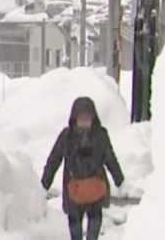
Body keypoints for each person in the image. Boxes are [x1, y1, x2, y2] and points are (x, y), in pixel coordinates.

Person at [41, 97, 124, 240]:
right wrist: (44, 184)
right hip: (74, 190)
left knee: (95, 219)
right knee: (74, 224)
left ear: (93, 118)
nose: (85, 122)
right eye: (81, 118)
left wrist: (119, 180)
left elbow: (110, 158)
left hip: (96, 189)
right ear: (74, 118)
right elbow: (54, 159)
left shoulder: (100, 135)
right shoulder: (66, 137)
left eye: (87, 118)